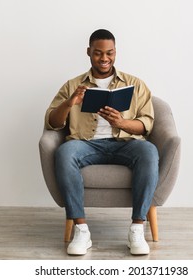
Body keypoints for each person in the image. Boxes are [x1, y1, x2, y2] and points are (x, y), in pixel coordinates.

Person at [44, 29, 159, 255]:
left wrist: (122, 122)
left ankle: (137, 228)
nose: (104, 58)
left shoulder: (136, 84)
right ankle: (81, 230)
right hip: (86, 144)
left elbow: (147, 124)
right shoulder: (73, 85)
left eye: (109, 53)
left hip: (125, 143)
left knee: (148, 150)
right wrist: (70, 103)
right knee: (65, 152)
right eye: (98, 53)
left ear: (115, 53)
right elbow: (52, 122)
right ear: (89, 52)